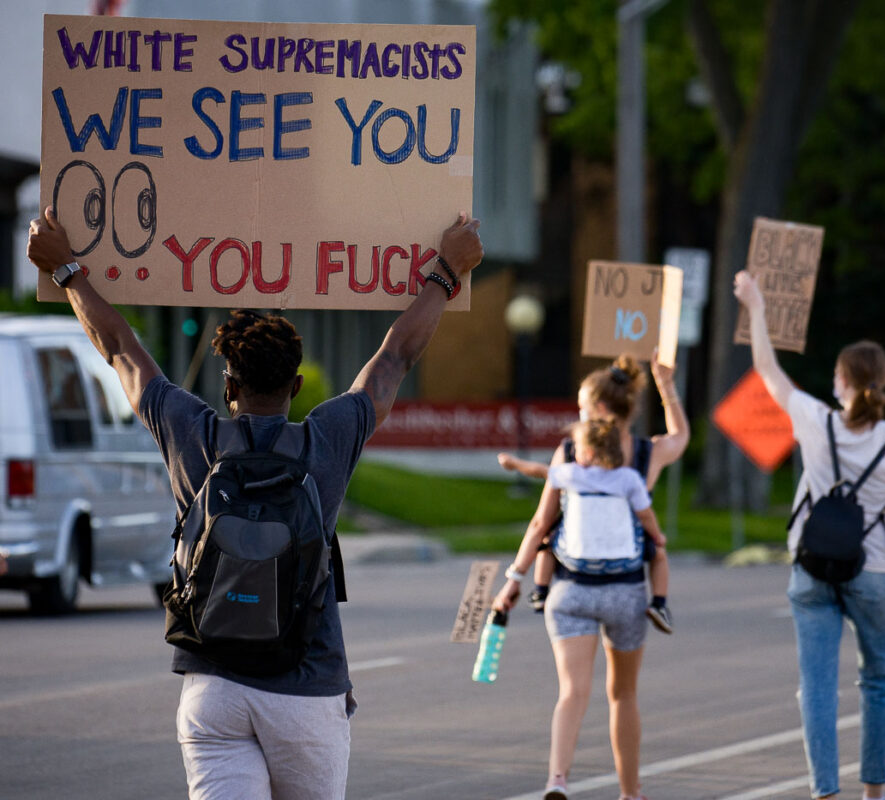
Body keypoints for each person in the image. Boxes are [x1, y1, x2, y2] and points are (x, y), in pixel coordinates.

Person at [27, 206, 483, 799]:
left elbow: (118, 347)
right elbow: (396, 356)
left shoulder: (193, 434)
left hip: (213, 687)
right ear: (296, 386)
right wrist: (446, 271)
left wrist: (65, 269)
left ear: (228, 386)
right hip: (307, 689)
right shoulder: (327, 438)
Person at [733, 271, 885, 800]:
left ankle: (824, 792)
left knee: (816, 688)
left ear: (841, 381)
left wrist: (758, 306)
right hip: (874, 571)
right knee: (878, 681)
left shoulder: (814, 420)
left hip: (811, 568)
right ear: (881, 384)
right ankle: (872, 794)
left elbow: (767, 369)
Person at [492, 416, 668, 800]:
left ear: (585, 450)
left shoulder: (566, 474)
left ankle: (557, 777)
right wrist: (657, 537)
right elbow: (650, 522)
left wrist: (514, 579)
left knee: (571, 692)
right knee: (623, 694)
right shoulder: (631, 478)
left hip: (571, 592)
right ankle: (629, 793)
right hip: (625, 594)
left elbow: (540, 523)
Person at [498, 351, 687, 633]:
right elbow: (680, 437)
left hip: (572, 582)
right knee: (622, 680)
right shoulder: (649, 454)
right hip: (628, 584)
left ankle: (540, 591)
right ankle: (659, 604)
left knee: (573, 680)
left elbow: (541, 523)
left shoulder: (571, 453)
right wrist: (666, 384)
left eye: (581, 407)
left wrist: (514, 578)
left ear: (598, 409)